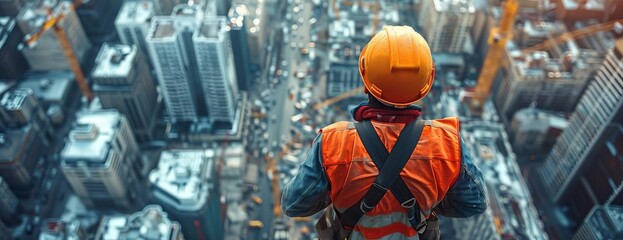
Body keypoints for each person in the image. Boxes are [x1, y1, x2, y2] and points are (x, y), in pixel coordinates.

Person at [281, 25, 487, 239]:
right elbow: (473, 203)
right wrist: (426, 200)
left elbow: (294, 204)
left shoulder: (333, 144)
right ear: (425, 86)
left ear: (366, 82)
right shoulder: (447, 144)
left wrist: (339, 193)